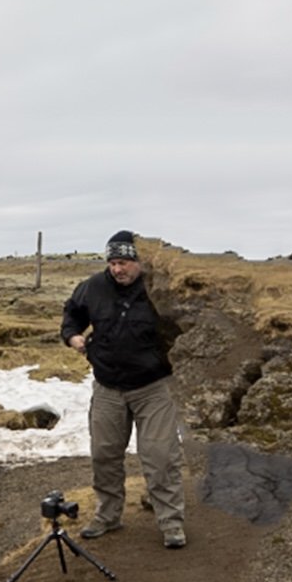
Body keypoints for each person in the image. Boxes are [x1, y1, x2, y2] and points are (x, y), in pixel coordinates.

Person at [60, 230, 186, 548]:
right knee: (104, 454)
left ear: (139, 263)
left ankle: (171, 522)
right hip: (107, 387)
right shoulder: (92, 287)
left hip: (153, 387)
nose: (118, 269)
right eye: (113, 262)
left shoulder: (161, 292)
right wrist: (73, 337)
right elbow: (71, 315)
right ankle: (108, 515)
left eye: (125, 262)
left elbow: (186, 327)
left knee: (160, 457)